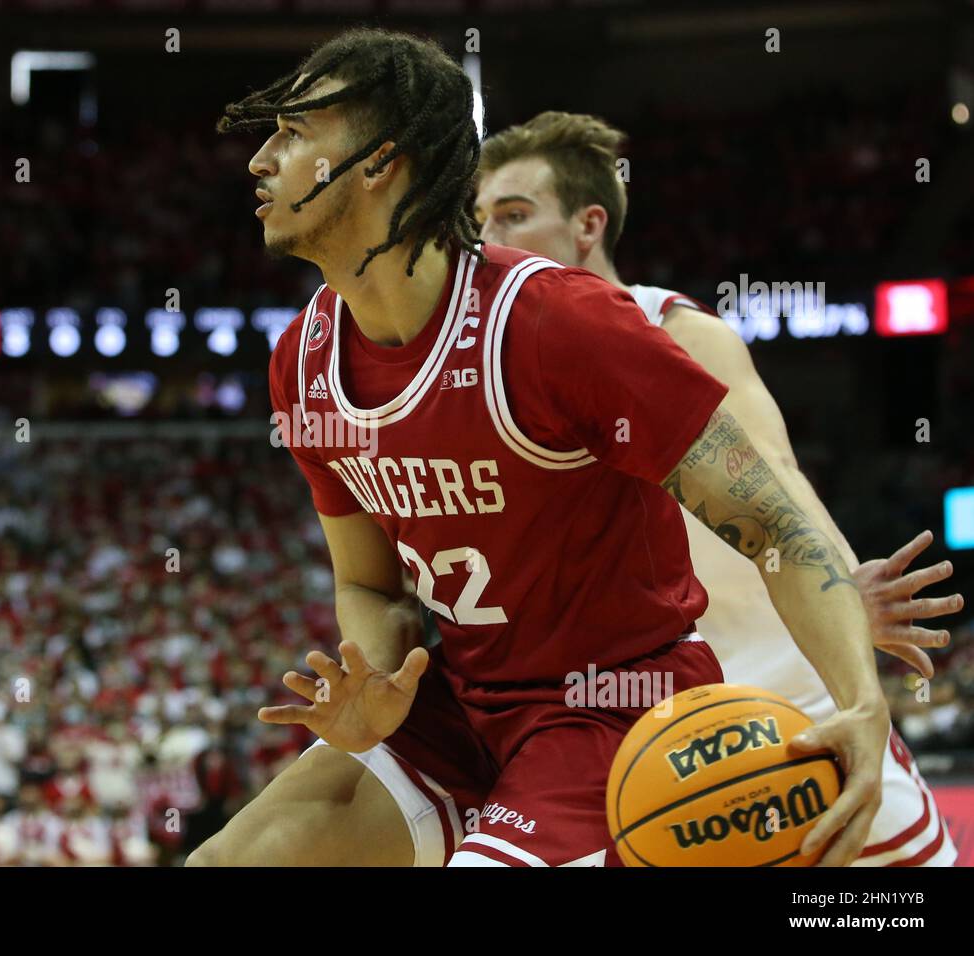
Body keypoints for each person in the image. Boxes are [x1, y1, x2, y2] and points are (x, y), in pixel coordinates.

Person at [193, 27, 887, 869]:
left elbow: (776, 525)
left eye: (294, 133)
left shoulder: (562, 325)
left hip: (616, 709)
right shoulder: (300, 364)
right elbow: (367, 582)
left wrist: (863, 700)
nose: (261, 160)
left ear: (379, 162)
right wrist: (376, 681)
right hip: (456, 706)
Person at [470, 110, 960, 865]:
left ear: (588, 225)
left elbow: (778, 478)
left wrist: (838, 583)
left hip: (785, 678)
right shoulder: (498, 368)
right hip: (641, 704)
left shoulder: (674, 331)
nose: (487, 238)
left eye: (513, 214)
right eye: (478, 218)